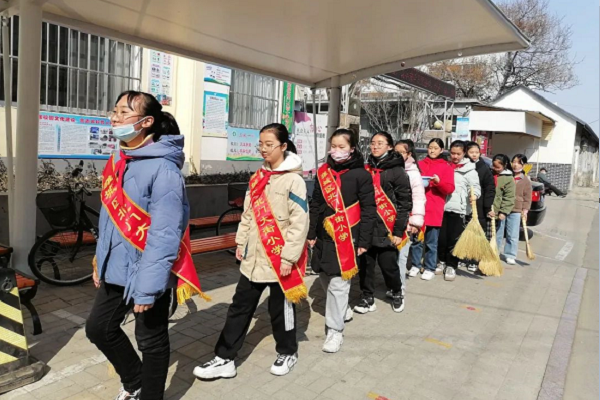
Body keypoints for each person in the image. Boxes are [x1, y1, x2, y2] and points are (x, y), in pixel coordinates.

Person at [86, 91, 192, 400]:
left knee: (151, 339)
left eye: (123, 113)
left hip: (148, 272)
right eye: (115, 111)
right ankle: (134, 382)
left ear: (146, 122)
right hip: (115, 266)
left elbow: (164, 234)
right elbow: (109, 218)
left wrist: (148, 288)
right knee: (99, 328)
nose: (114, 118)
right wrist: (99, 260)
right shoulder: (119, 158)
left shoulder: (165, 170)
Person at [193, 124, 309, 379]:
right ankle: (224, 358)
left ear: (283, 146)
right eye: (261, 144)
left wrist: (289, 257)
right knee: (240, 307)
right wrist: (240, 243)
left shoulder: (294, 180)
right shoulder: (257, 177)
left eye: (269, 144)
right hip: (254, 257)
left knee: (281, 309)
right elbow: (248, 215)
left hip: (280, 258)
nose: (264, 149)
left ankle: (288, 351)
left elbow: (299, 223)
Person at [308, 128, 376, 353]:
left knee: (338, 283)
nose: (336, 151)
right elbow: (316, 203)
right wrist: (311, 233)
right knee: (324, 276)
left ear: (352, 149)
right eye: (333, 146)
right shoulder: (323, 173)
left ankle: (335, 331)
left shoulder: (361, 175)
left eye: (341, 147)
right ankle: (342, 307)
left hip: (348, 237)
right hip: (324, 235)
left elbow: (368, 209)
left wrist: (364, 240)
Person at [355, 132, 412, 315]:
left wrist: (398, 231)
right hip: (366, 226)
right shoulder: (365, 169)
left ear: (389, 146)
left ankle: (396, 291)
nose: (375, 146)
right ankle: (367, 297)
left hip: (388, 227)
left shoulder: (397, 171)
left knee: (389, 266)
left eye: (380, 143)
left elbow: (404, 203)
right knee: (366, 265)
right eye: (372, 143)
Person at [408, 138, 455, 281]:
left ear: (441, 150)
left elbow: (449, 188)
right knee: (416, 240)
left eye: (436, 148)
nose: (432, 150)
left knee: (431, 241)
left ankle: (429, 267)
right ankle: (415, 264)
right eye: (430, 147)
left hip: (434, 207)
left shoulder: (446, 167)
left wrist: (438, 183)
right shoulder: (419, 164)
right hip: (418, 207)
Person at [438, 140, 481, 281]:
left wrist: (474, 195)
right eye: (453, 153)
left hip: (460, 210)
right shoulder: (445, 166)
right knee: (441, 238)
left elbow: (475, 187)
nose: (455, 156)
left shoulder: (470, 170)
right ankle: (441, 261)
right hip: (443, 207)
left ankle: (452, 265)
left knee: (454, 240)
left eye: (458, 154)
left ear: (464, 154)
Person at [393, 139, 426, 296]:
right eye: (395, 152)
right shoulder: (390, 169)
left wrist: (415, 221)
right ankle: (391, 286)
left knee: (401, 257)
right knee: (390, 258)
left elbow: (419, 198)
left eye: (401, 152)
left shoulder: (413, 173)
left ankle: (399, 289)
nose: (397, 155)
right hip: (390, 219)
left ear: (409, 154)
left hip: (406, 220)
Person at [464, 141, 495, 272]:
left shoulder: (483, 168)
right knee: (463, 233)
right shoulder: (462, 166)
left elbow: (490, 188)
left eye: (477, 152)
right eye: (471, 152)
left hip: (479, 207)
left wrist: (487, 207)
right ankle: (462, 257)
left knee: (477, 234)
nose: (474, 155)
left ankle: (474, 260)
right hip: (464, 206)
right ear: (466, 153)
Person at [496, 154, 532, 265]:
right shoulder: (506, 175)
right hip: (502, 208)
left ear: (524, 165)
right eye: (514, 162)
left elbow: (527, 197)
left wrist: (525, 211)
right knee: (498, 232)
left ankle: (510, 255)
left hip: (516, 209)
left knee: (513, 234)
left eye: (519, 162)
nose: (515, 165)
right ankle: (494, 251)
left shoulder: (525, 180)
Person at [488, 154, 516, 230]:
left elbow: (509, 196)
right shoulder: (488, 173)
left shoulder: (508, 179)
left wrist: (503, 212)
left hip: (496, 212)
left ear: (505, 165)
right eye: (494, 166)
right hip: (485, 210)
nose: (495, 169)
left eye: (498, 167)